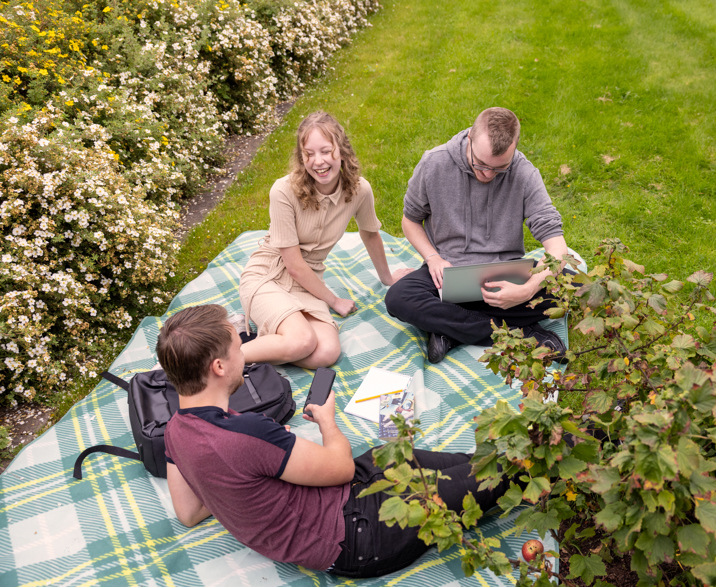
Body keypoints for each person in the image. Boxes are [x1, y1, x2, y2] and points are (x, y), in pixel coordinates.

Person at [158, 304, 511, 577]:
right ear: (219, 367)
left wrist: (239, 486)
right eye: (239, 347)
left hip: (354, 492)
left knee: (469, 464)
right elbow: (341, 468)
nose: (246, 352)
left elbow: (188, 513)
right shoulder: (249, 433)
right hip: (360, 536)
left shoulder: (174, 430)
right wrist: (328, 422)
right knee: (506, 471)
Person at [384, 107, 570, 363]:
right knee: (398, 298)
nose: (487, 175)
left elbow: (558, 249)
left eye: (500, 168)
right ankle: (523, 334)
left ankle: (450, 328)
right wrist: (433, 257)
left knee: (571, 288)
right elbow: (410, 220)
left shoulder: (525, 173)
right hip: (446, 274)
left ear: (514, 148)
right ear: (469, 138)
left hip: (507, 276)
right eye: (480, 164)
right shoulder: (434, 163)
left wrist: (526, 291)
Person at [236, 111, 412, 368]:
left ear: (341, 150)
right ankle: (215, 361)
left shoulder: (359, 190)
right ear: (301, 157)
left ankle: (254, 338)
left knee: (327, 353)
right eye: (309, 154)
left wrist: (388, 278)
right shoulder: (283, 191)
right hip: (268, 276)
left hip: (308, 283)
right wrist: (334, 301)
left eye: (326, 151)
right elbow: (294, 266)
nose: (318, 161)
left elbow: (370, 233)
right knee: (302, 341)